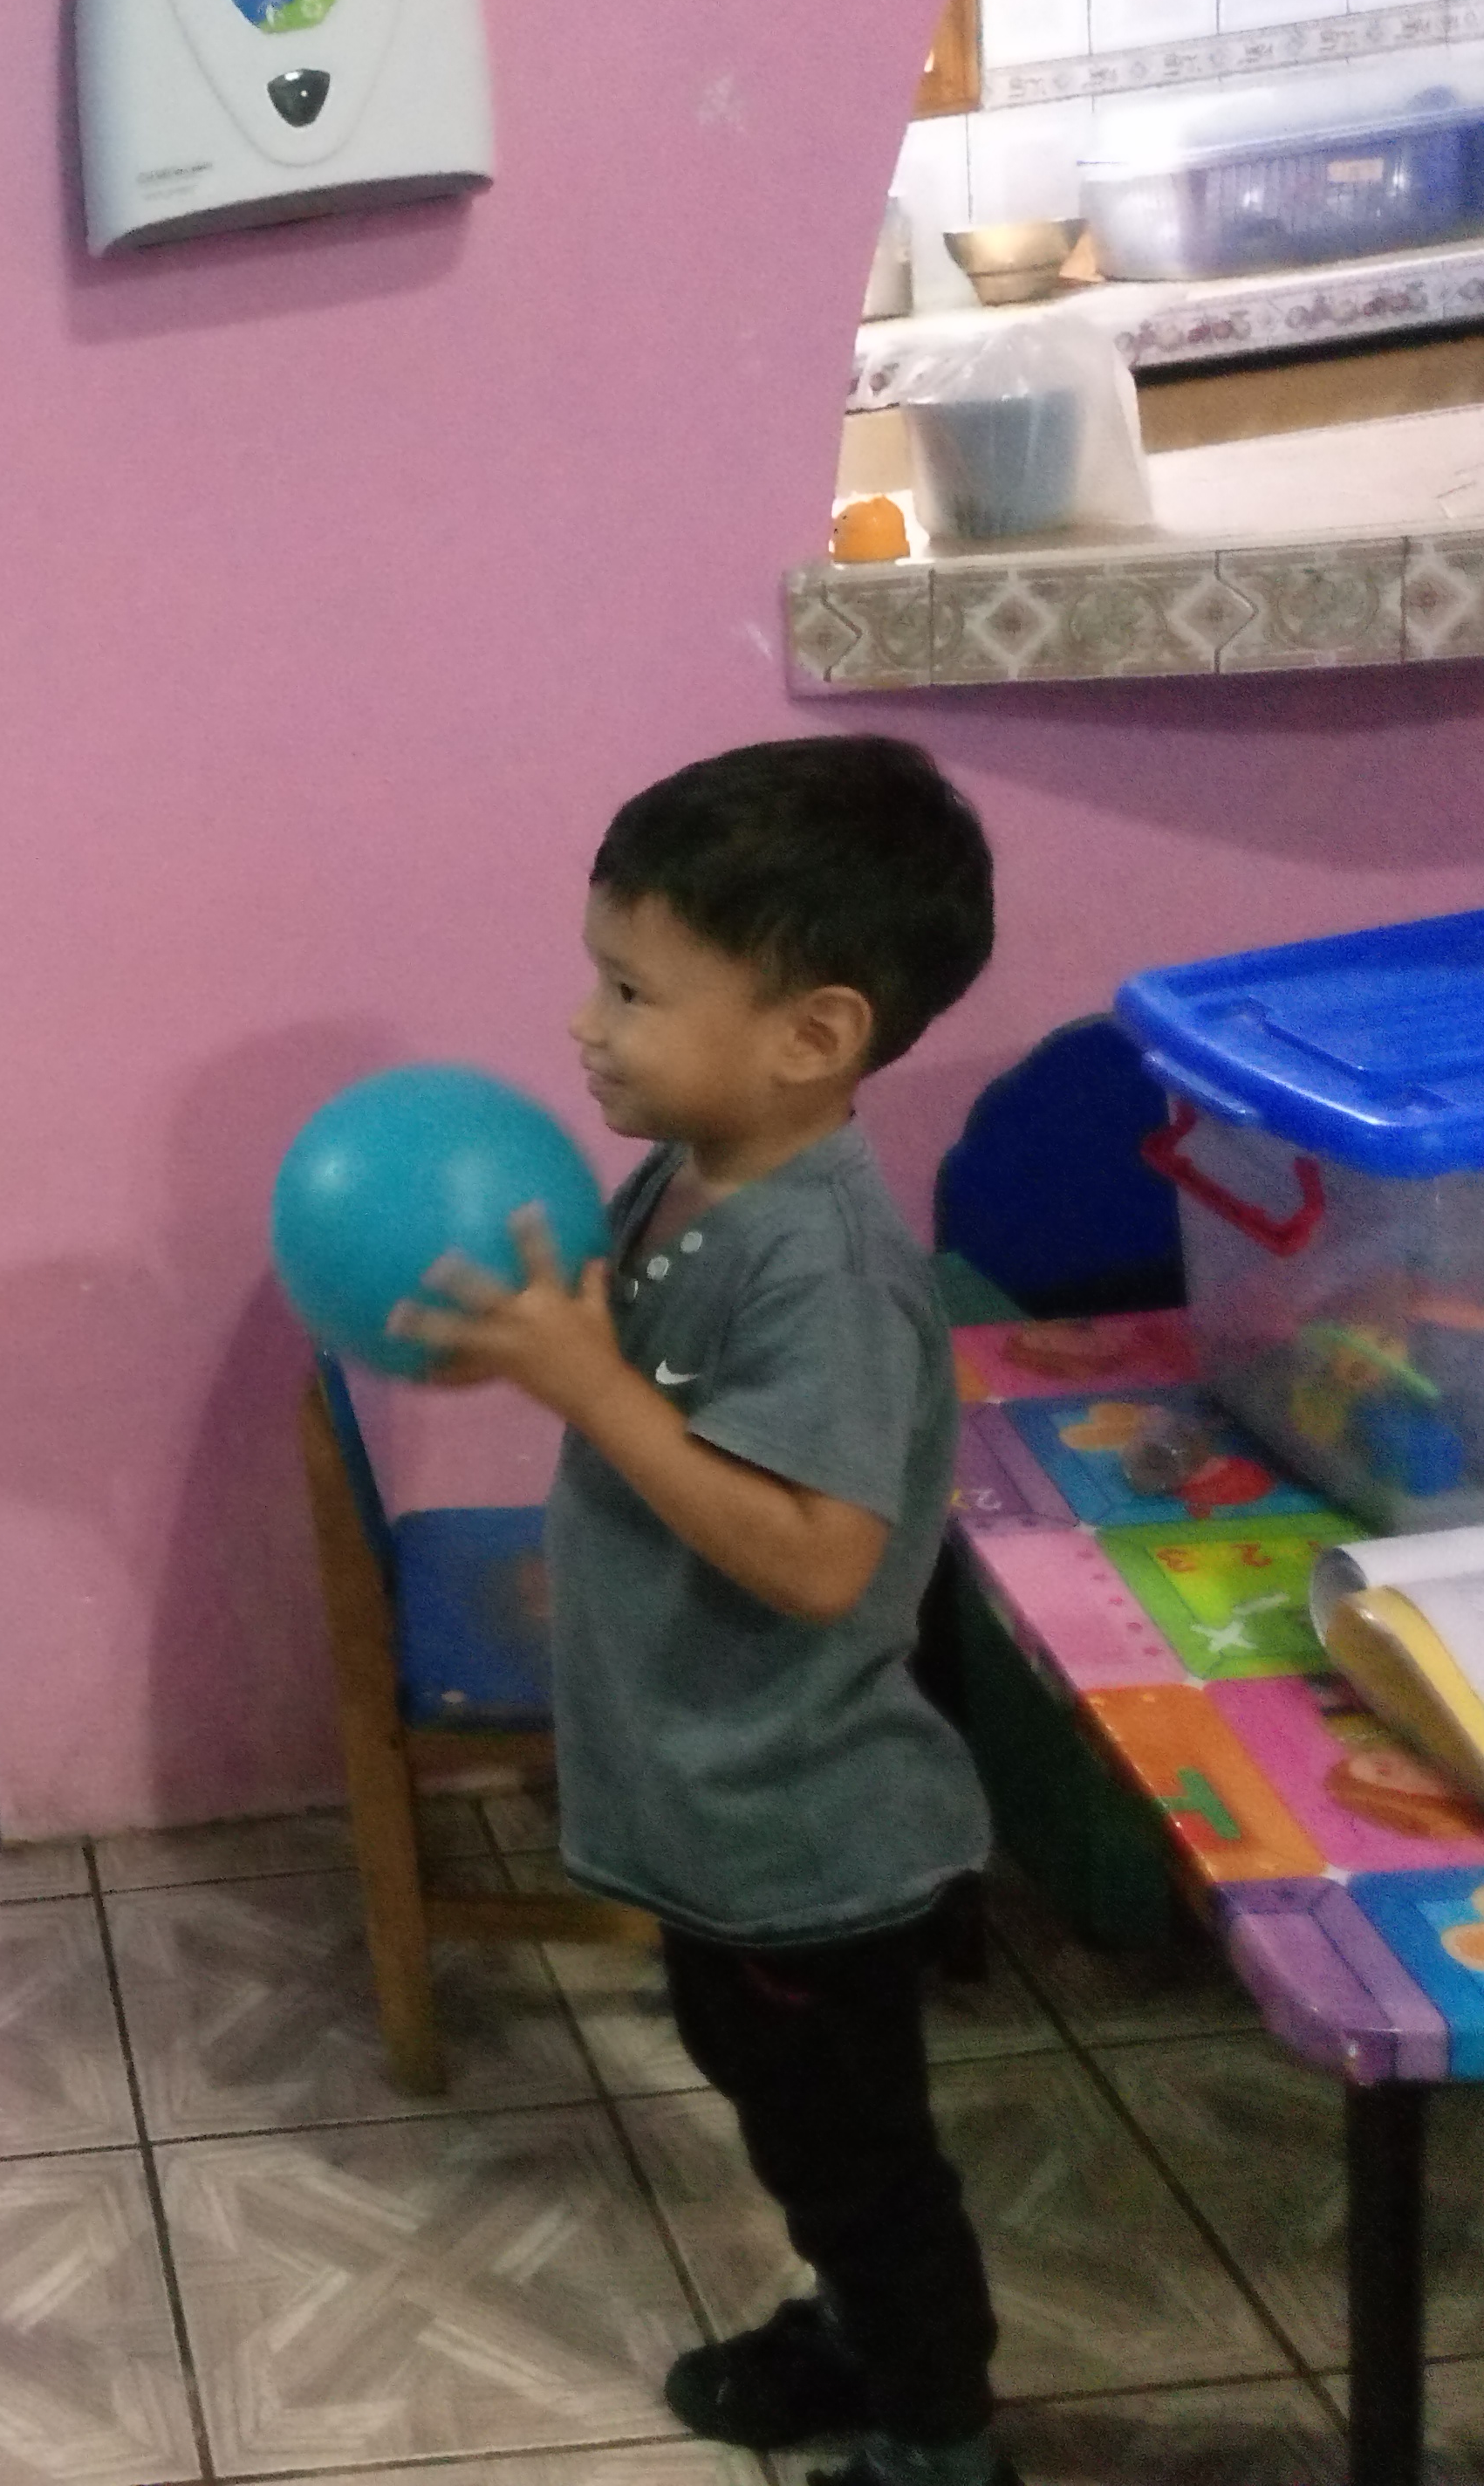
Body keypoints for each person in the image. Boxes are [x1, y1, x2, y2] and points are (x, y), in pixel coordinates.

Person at [388, 736, 1011, 2486]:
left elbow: (819, 1560)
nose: (585, 1026)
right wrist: (541, 1344)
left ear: (811, 1035)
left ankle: (941, 2444)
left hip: (797, 1832)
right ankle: (853, 2326)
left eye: (632, 991)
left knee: (860, 2163)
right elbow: (650, 1388)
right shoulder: (687, 1172)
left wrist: (588, 1392)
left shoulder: (821, 1265)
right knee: (790, 2121)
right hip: (704, 1797)